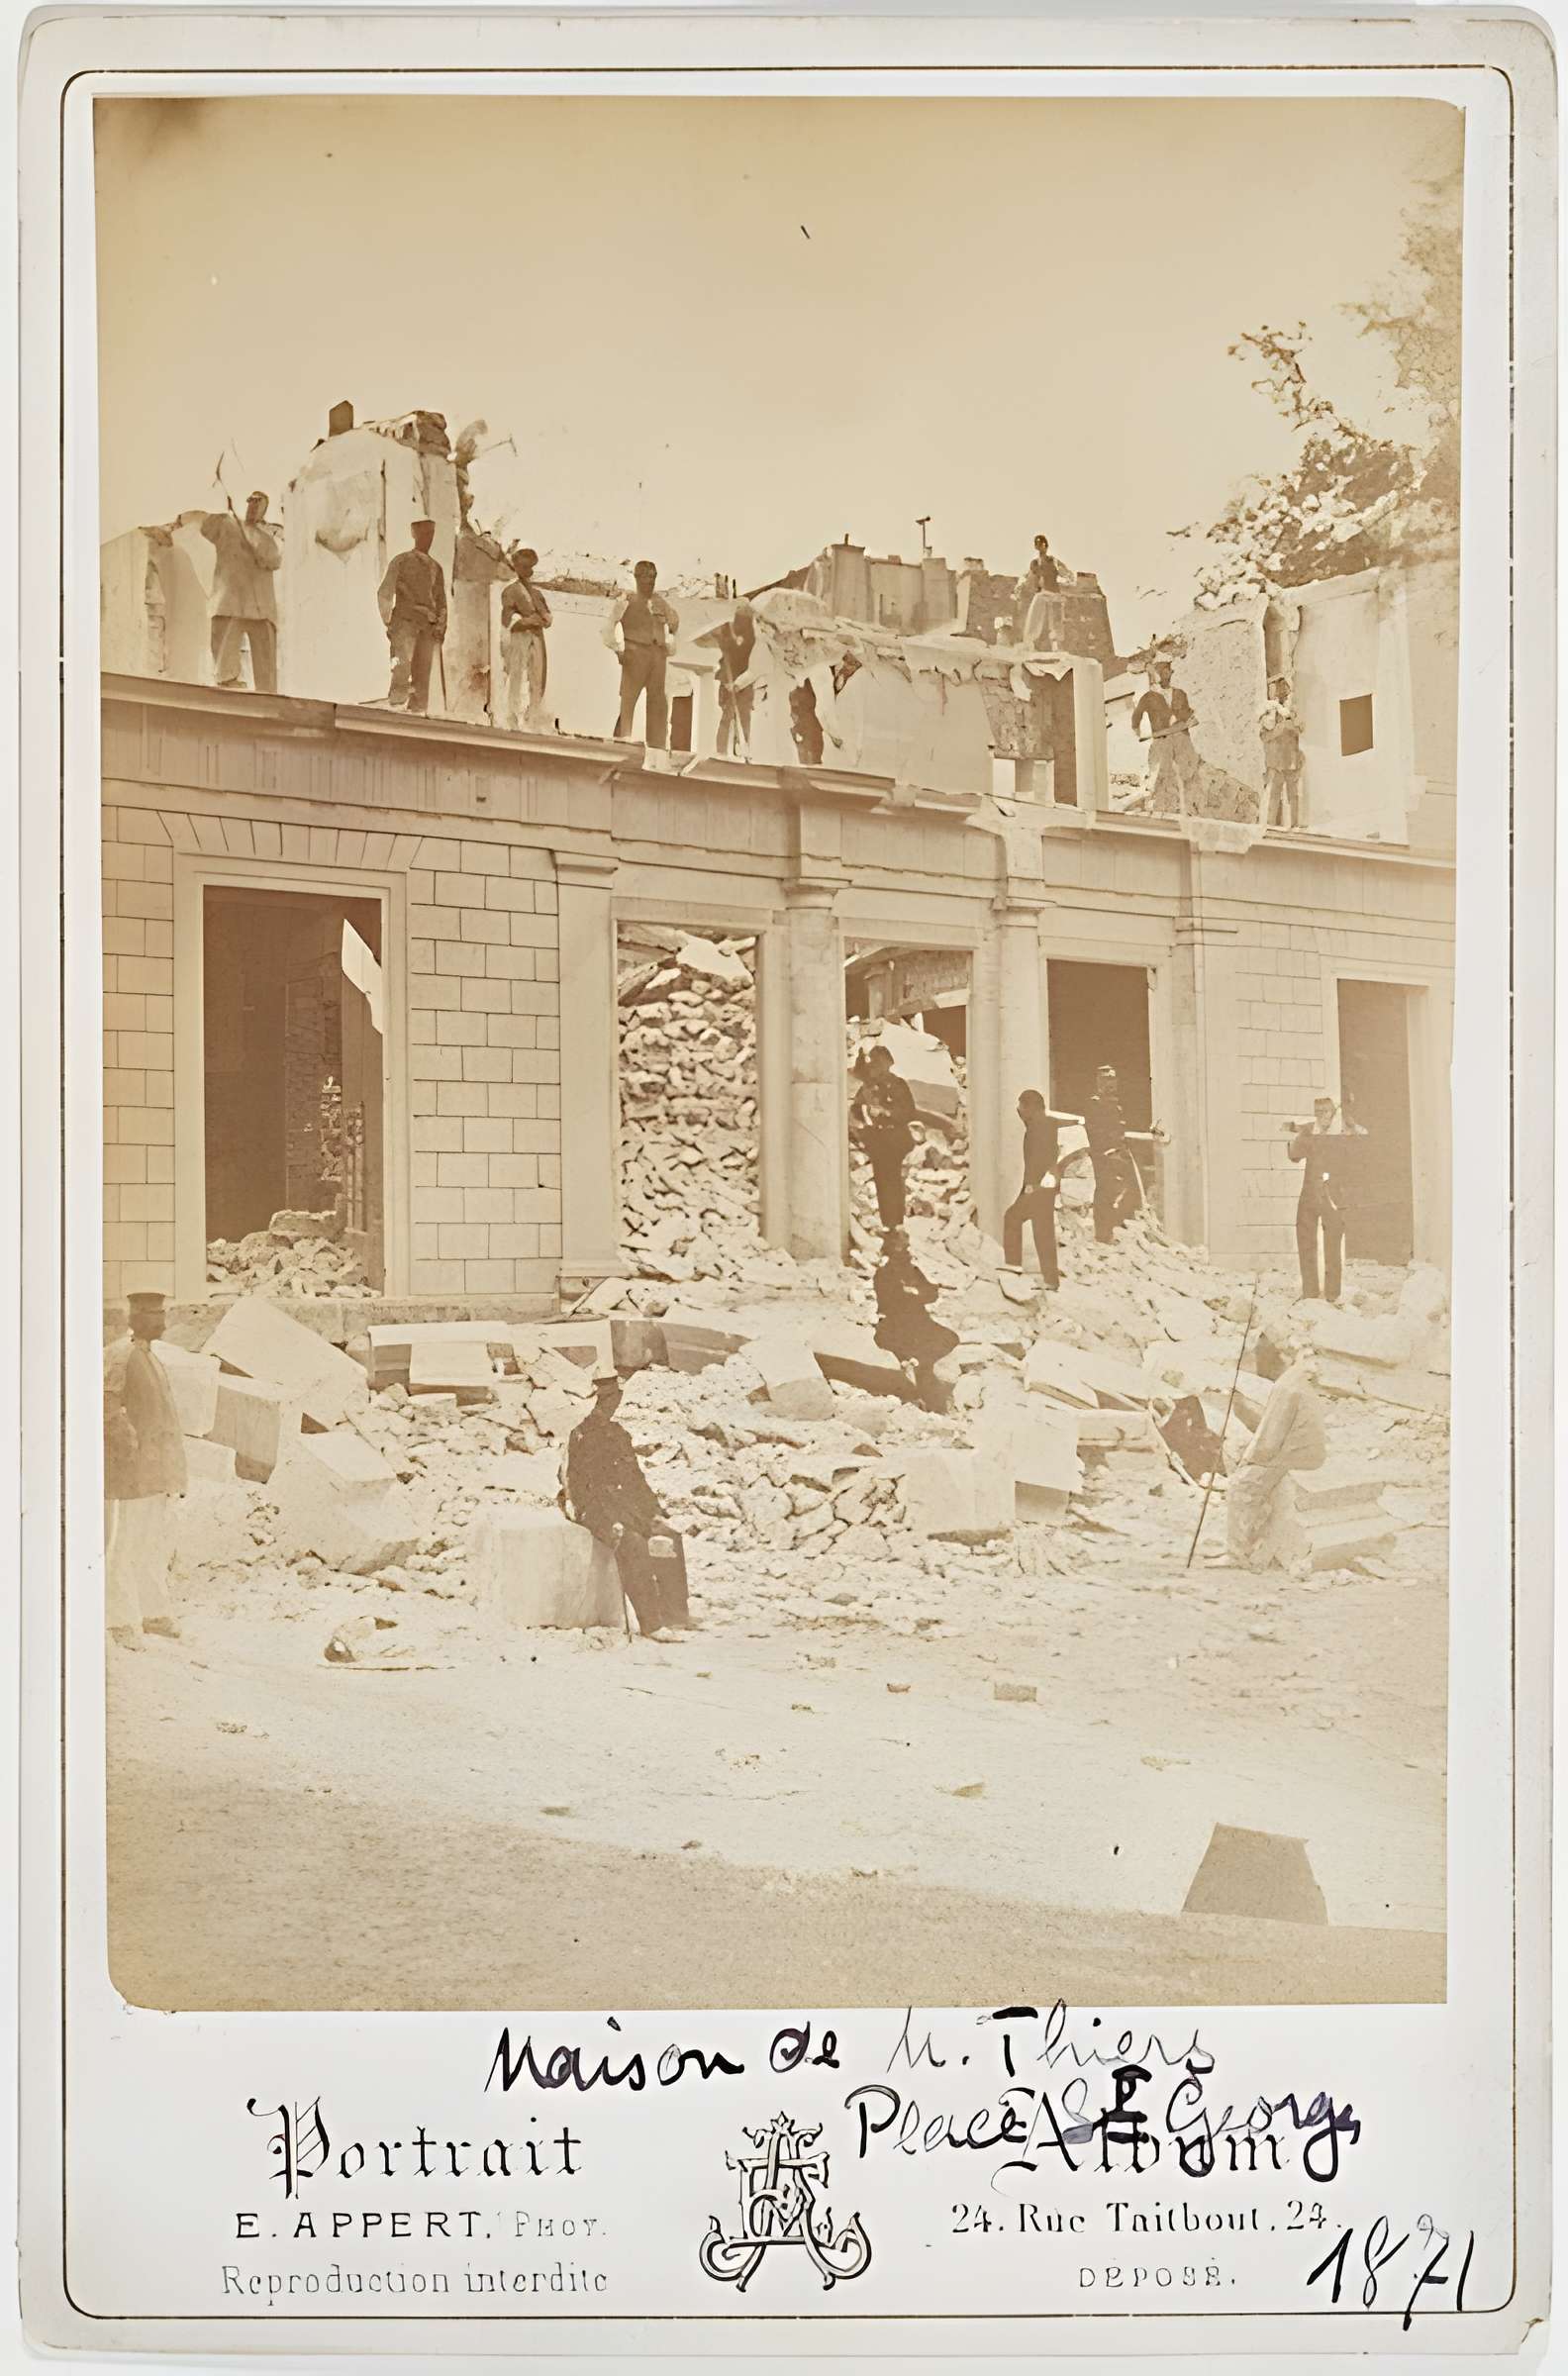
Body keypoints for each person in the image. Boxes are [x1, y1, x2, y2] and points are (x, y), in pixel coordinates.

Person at [562, 1370, 691, 1637]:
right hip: (596, 1510)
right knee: (632, 1544)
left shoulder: (618, 1433)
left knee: (669, 1536)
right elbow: (579, 1488)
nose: (610, 1407)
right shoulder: (579, 1437)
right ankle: (651, 1624)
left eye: (613, 1401)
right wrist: (610, 1522)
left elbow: (635, 1478)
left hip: (627, 1506)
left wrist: (654, 1511)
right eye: (605, 1401)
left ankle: (676, 1616)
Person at [103, 1291, 188, 1650]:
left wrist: (173, 1471)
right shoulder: (121, 1356)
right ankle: (119, 1620)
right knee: (123, 1547)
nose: (164, 1321)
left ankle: (153, 1613)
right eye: (156, 1315)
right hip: (131, 1476)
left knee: (152, 1544)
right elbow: (108, 1411)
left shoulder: (151, 1357)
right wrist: (131, 1454)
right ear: (136, 1319)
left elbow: (164, 1419)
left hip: (156, 1473)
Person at [1223, 1336, 1328, 1568]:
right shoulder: (1300, 1382)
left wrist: (1248, 1460)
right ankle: (1253, 1546)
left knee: (1240, 1485)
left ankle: (1236, 1554)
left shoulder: (1286, 1387)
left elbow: (1269, 1440)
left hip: (1294, 1455)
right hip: (1305, 1451)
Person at [198, 491, 281, 693]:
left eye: (258, 502)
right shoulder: (226, 524)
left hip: (259, 606)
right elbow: (206, 528)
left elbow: (272, 559)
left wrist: (251, 533)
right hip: (229, 601)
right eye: (250, 501)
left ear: (264, 508)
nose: (253, 505)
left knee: (266, 670)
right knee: (224, 661)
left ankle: (267, 693)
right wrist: (221, 505)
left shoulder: (266, 538)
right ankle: (226, 680)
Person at [1287, 1095, 1366, 1303]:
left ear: (1332, 1114)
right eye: (1318, 1113)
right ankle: (1310, 1292)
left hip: (1332, 1197)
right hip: (1309, 1195)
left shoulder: (1341, 1137)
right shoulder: (1310, 1136)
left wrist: (1351, 1128)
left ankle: (1332, 1294)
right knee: (1306, 1242)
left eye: (1326, 1112)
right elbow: (1294, 1155)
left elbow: (1359, 1148)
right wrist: (1304, 1132)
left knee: (1332, 1245)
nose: (1322, 1117)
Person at [872, 1229, 958, 1412]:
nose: (906, 1253)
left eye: (907, 1248)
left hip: (919, 1322)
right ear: (891, 1250)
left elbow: (931, 1294)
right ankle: (918, 1375)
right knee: (920, 1360)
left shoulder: (913, 1271)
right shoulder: (883, 1274)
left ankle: (917, 1363)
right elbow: (890, 1301)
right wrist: (915, 1294)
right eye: (901, 1248)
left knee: (950, 1338)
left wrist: (916, 1293)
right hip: (895, 1325)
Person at [604, 560, 680, 747]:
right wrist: (619, 649)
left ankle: (657, 747)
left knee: (658, 703)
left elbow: (674, 624)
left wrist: (668, 642)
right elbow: (607, 629)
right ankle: (621, 743)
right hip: (635, 654)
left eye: (653, 576)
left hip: (658, 658)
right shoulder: (626, 601)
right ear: (636, 578)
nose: (649, 581)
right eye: (645, 576)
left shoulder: (660, 601)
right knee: (628, 702)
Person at [377, 518, 447, 716]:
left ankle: (418, 714)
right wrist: (390, 621)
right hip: (405, 624)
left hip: (428, 627)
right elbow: (385, 592)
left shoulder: (436, 567)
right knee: (401, 667)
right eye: (424, 533)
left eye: (431, 534)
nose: (428, 538)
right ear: (414, 534)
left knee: (422, 674)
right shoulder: (401, 561)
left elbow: (441, 600)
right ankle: (396, 710)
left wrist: (440, 626)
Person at [849, 1043, 918, 1229]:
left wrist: (886, 1112)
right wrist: (866, 1112)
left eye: (879, 1064)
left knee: (894, 1180)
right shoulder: (868, 1088)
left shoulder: (898, 1085)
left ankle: (897, 1221)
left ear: (887, 1064)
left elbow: (909, 1112)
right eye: (874, 1065)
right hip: (877, 1141)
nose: (875, 1068)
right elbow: (855, 1109)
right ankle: (887, 1223)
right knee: (881, 1180)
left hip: (895, 1139)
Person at [1000, 1089, 1061, 1290]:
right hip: (1044, 1187)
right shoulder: (1046, 1124)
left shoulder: (1038, 1128)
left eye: (1022, 1106)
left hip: (1037, 1187)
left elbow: (1037, 1161)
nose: (1019, 1111)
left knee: (1014, 1219)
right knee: (1042, 1230)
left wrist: (1031, 1187)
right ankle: (1050, 1279)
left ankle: (1014, 1266)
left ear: (1032, 1108)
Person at [1131, 657, 1202, 815]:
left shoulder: (1180, 694)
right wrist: (1136, 729)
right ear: (1157, 674)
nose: (1165, 675)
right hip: (1162, 741)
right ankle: (1163, 807)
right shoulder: (1149, 697)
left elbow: (1187, 712)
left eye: (1168, 671)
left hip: (1182, 738)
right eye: (1162, 672)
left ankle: (1189, 806)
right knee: (1163, 775)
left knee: (1188, 771)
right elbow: (1136, 715)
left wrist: (1188, 718)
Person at [1083, 1065, 1143, 1244]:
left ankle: (1112, 1229)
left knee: (1118, 1192)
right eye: (1105, 1080)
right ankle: (1103, 1234)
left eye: (1112, 1080)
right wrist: (1106, 1151)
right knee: (1104, 1192)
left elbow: (1119, 1130)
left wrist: (1121, 1150)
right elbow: (1095, 1131)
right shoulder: (1095, 1103)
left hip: (1118, 1155)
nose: (1109, 1084)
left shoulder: (1116, 1105)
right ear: (1098, 1083)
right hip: (1103, 1155)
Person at [499, 547, 552, 731]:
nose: (527, 570)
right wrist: (529, 621)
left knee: (536, 677)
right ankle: (511, 718)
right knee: (517, 676)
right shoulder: (510, 591)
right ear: (516, 567)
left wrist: (543, 619)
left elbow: (547, 617)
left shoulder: (537, 593)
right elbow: (508, 621)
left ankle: (532, 719)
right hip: (519, 640)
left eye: (529, 567)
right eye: (523, 566)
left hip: (537, 639)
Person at [713, 600, 758, 756]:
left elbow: (749, 655)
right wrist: (723, 642)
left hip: (743, 680)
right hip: (730, 678)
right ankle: (723, 750)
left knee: (742, 715)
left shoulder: (752, 636)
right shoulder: (728, 628)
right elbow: (725, 652)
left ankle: (741, 748)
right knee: (729, 715)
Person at [1259, 676, 1304, 829]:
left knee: (1293, 795)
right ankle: (1271, 824)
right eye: (1279, 688)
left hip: (1291, 759)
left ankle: (1295, 824)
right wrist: (1280, 729)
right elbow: (1264, 736)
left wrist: (1290, 724)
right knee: (1274, 794)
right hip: (1275, 761)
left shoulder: (1293, 710)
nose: (1283, 691)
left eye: (1284, 688)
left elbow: (1300, 728)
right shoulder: (1269, 712)